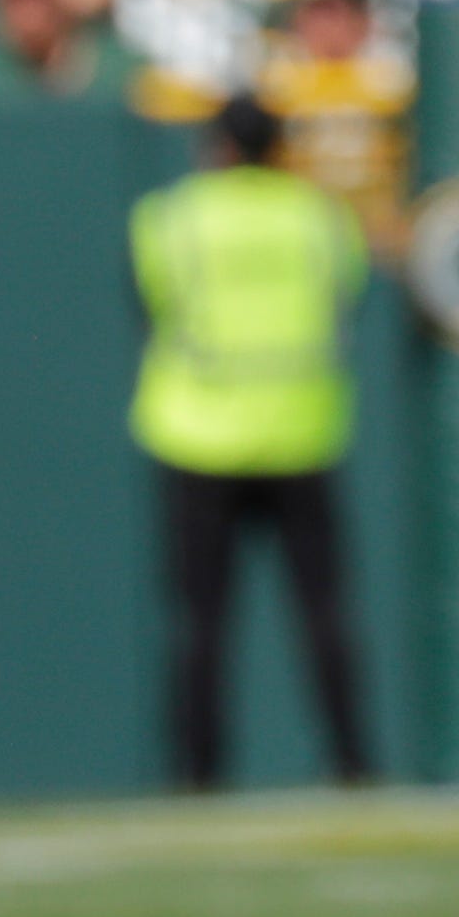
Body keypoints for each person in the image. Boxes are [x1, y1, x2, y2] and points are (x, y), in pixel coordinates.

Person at [131, 93, 373, 790]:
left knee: (200, 620)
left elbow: (150, 301)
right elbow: (348, 294)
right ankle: (352, 762)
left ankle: (197, 774)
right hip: (301, 430)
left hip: (198, 435)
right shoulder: (319, 216)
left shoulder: (173, 218)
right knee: (324, 613)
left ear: (219, 148)